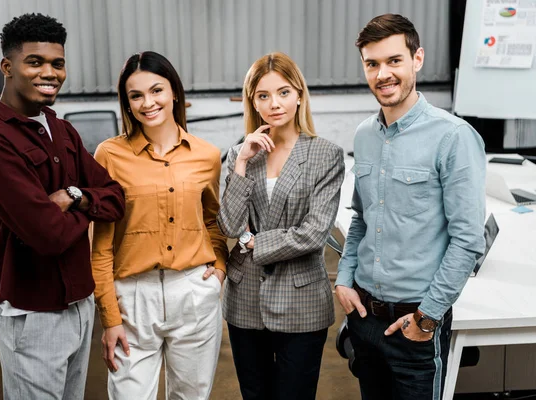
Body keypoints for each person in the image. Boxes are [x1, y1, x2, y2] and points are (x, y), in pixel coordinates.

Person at [0, 13, 125, 400]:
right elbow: (48, 236)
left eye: (57, 63)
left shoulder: (59, 127)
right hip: (32, 309)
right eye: (34, 62)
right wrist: (87, 200)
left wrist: (73, 197)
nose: (49, 72)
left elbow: (115, 197)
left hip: (78, 298)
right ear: (8, 67)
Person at [335, 13, 486, 400]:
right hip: (364, 318)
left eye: (394, 61)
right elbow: (361, 219)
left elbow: (468, 240)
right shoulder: (365, 134)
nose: (383, 74)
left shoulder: (453, 137)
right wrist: (344, 279)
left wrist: (427, 317)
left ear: (417, 59)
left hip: (415, 324)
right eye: (372, 64)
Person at [91, 51, 228, 400]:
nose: (147, 103)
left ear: (174, 93)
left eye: (156, 90)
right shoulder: (109, 155)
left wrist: (220, 269)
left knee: (191, 396)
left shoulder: (206, 155)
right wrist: (110, 317)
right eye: (135, 95)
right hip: (133, 297)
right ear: (127, 102)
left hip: (193, 291)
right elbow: (102, 243)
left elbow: (211, 220)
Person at [217, 52, 345, 400]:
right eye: (263, 95)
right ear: (253, 102)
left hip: (301, 299)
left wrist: (256, 243)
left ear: (300, 94)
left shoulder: (325, 154)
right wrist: (242, 162)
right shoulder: (240, 154)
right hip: (245, 300)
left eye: (284, 92)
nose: (274, 103)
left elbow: (315, 231)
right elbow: (229, 225)